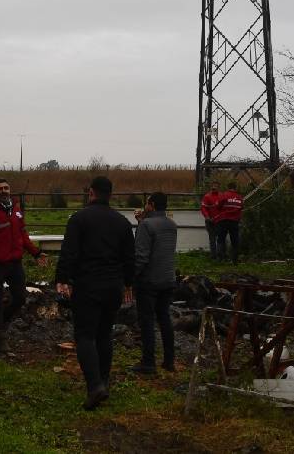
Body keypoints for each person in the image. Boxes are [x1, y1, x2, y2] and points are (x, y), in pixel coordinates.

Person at [55, 176, 135, 411]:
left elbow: (69, 252)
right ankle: (104, 381)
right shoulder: (122, 222)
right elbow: (129, 257)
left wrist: (62, 279)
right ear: (110, 194)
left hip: (88, 285)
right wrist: (128, 283)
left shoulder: (79, 219)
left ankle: (95, 386)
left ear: (91, 193)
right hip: (113, 286)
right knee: (104, 335)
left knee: (85, 336)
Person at [0, 178, 48, 354]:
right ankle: (1, 338)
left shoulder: (16, 209)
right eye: (0, 189)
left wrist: (35, 253)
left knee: (20, 297)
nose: (4, 191)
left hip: (15, 263)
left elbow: (23, 234)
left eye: (6, 188)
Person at [130, 191, 178, 375]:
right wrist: (142, 222)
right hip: (167, 279)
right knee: (164, 319)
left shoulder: (147, 225)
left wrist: (131, 278)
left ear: (151, 205)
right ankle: (169, 360)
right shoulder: (171, 225)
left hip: (149, 281)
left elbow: (141, 257)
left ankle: (148, 362)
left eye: (147, 204)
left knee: (147, 321)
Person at [215, 181, 244, 264]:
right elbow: (241, 207)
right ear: (235, 188)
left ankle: (220, 259)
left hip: (223, 220)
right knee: (235, 240)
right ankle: (235, 260)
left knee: (221, 239)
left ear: (228, 187)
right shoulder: (239, 197)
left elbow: (218, 206)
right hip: (234, 221)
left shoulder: (223, 195)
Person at [200, 180, 222, 260]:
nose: (214, 187)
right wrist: (207, 217)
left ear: (218, 187)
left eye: (216, 186)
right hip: (210, 221)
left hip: (220, 221)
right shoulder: (207, 196)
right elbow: (203, 208)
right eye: (213, 186)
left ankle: (220, 255)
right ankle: (213, 256)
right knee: (212, 239)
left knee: (220, 239)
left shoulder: (221, 196)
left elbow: (224, 208)